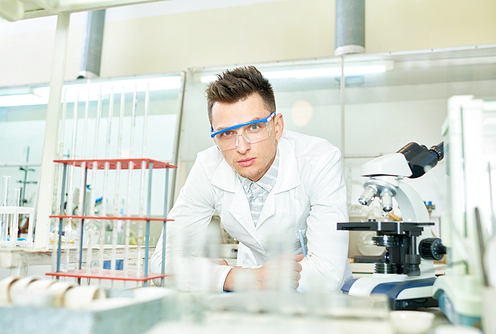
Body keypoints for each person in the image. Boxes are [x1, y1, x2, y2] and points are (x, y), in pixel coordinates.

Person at [150, 66, 352, 293]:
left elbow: (327, 273)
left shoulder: (319, 159)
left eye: (254, 127)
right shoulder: (208, 167)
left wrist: (215, 277)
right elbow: (161, 265)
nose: (242, 147)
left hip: (317, 300)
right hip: (248, 297)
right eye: (227, 133)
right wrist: (240, 278)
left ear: (277, 127)